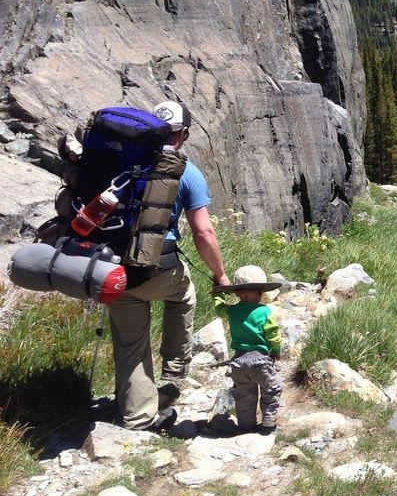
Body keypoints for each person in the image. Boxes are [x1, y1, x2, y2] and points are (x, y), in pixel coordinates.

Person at [107, 100, 231, 431]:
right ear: (184, 134)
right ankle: (175, 366)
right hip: (158, 268)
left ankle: (136, 415)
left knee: (131, 344)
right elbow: (204, 231)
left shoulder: (122, 160)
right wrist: (220, 274)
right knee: (185, 292)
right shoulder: (185, 171)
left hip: (113, 271)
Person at [212, 266, 283, 433]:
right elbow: (273, 335)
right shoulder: (265, 311)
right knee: (272, 388)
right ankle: (268, 422)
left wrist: (218, 294)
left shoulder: (232, 311)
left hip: (238, 362)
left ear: (237, 293)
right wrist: (277, 351)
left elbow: (219, 308)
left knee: (244, 395)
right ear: (261, 291)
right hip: (260, 361)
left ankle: (246, 425)